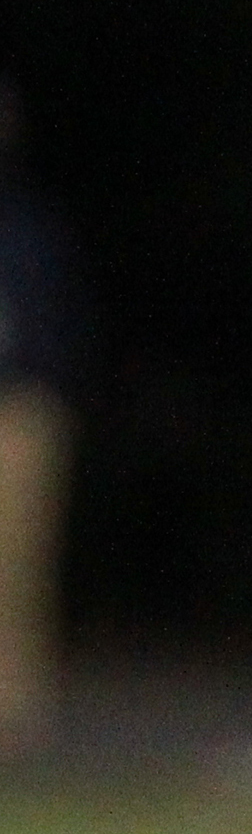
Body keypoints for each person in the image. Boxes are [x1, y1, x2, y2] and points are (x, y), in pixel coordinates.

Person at [0, 78, 85, 748]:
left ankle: (16, 706)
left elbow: (59, 318)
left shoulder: (29, 227)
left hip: (18, 406)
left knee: (18, 561)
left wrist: (51, 391)